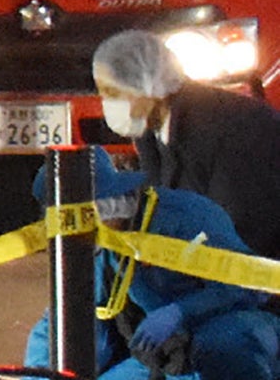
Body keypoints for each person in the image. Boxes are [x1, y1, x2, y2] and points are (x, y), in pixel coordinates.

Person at [19, 153, 277, 380]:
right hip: (166, 356)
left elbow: (249, 285)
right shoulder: (102, 244)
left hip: (234, 329)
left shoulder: (186, 215)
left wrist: (182, 311)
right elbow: (67, 320)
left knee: (227, 346)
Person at [91, 28, 280, 267]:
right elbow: (159, 205)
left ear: (147, 85)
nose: (106, 105)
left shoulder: (230, 129)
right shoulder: (152, 131)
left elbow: (239, 230)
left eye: (113, 93)